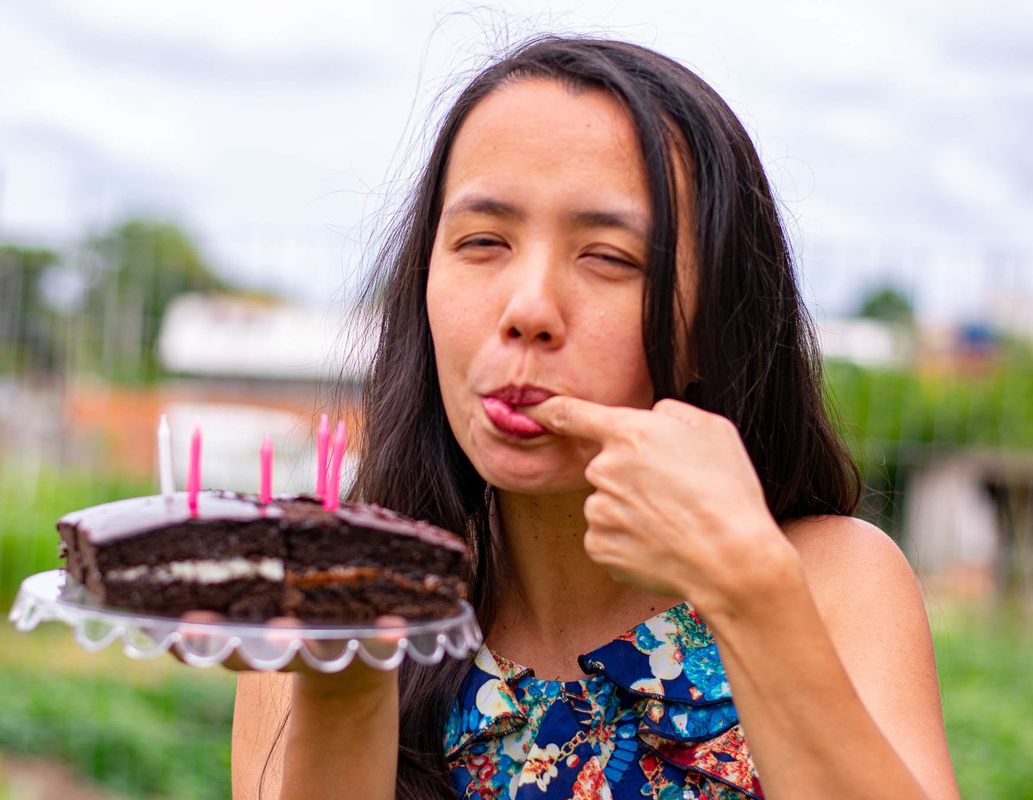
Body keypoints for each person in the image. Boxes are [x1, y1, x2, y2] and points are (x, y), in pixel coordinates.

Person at [227, 36, 962, 799]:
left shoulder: (832, 583)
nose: (529, 310)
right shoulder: (326, 603)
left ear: (713, 325)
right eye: (482, 242)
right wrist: (348, 687)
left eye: (609, 257)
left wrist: (749, 593)